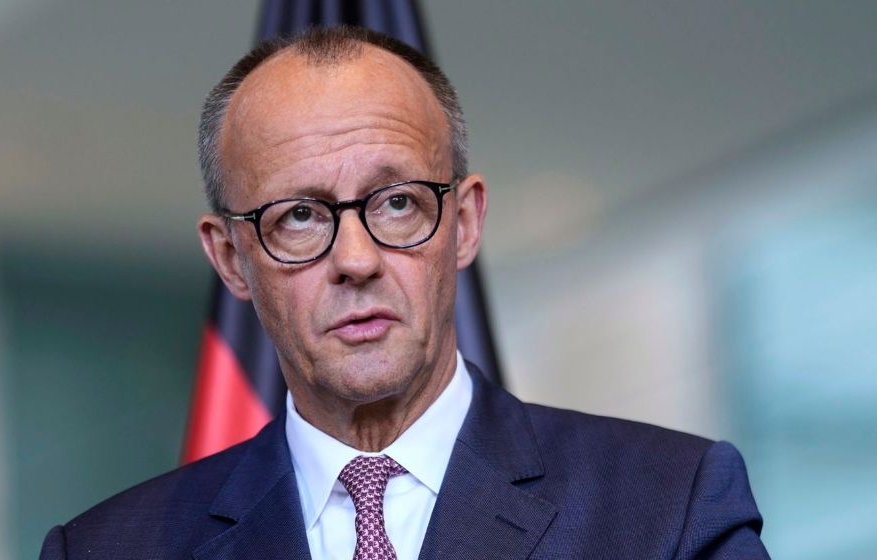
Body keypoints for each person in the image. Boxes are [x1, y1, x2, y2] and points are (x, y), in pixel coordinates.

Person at [39, 26, 769, 559]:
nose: (356, 260)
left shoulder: (670, 506)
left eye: (396, 203)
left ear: (464, 222)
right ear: (231, 258)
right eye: (299, 216)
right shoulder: (105, 550)